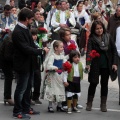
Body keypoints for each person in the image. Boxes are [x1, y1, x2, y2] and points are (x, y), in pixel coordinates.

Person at [12, 8, 48, 119]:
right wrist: (40, 51)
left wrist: (40, 49)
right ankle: (17, 111)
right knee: (21, 89)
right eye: (31, 19)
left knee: (28, 88)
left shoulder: (26, 28)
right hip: (22, 64)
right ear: (26, 19)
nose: (32, 21)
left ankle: (26, 108)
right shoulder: (17, 31)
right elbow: (25, 48)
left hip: (29, 63)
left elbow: (32, 44)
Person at [86, 21, 118, 112]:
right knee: (93, 83)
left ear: (103, 28)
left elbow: (114, 51)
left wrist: (114, 63)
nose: (99, 30)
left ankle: (103, 104)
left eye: (100, 28)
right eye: (97, 29)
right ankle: (89, 103)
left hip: (106, 65)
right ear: (94, 30)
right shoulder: (91, 39)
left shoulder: (108, 36)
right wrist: (88, 64)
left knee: (104, 85)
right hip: (95, 65)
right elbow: (88, 52)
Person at [43, 40, 66, 113]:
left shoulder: (62, 56)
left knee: (60, 89)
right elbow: (49, 66)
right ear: (56, 48)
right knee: (51, 90)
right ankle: (50, 106)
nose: (63, 48)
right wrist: (54, 67)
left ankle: (59, 105)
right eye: (61, 47)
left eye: (63, 47)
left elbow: (65, 64)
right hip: (53, 76)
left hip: (60, 76)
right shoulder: (52, 56)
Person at [0, 32, 14, 105]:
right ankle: (7, 97)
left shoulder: (9, 39)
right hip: (5, 62)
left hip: (5, 61)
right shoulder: (10, 42)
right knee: (9, 77)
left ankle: (7, 96)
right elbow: (7, 56)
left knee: (9, 77)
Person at [30, 28, 43, 104]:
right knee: (31, 82)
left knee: (38, 80)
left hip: (37, 64)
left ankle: (36, 97)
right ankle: (29, 97)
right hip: (32, 64)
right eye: (33, 35)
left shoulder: (37, 43)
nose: (35, 37)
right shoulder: (30, 43)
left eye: (35, 35)